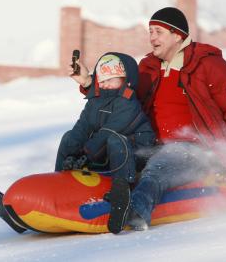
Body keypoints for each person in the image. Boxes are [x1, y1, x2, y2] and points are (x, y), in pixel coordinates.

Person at [69, 7, 226, 233]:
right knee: (109, 153)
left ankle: (135, 213)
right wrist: (88, 83)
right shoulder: (148, 68)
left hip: (194, 149)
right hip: (150, 143)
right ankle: (69, 196)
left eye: (158, 32)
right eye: (150, 31)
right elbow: (121, 100)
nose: (152, 37)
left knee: (156, 170)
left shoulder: (210, 66)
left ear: (177, 35)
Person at [55, 52, 155, 233]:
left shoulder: (128, 103)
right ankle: (58, 184)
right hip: (106, 152)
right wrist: (73, 153)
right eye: (102, 79)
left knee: (115, 140)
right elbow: (82, 128)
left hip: (137, 154)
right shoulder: (95, 102)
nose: (105, 83)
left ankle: (121, 197)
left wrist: (85, 154)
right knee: (69, 136)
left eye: (111, 79)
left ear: (126, 80)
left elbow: (107, 133)